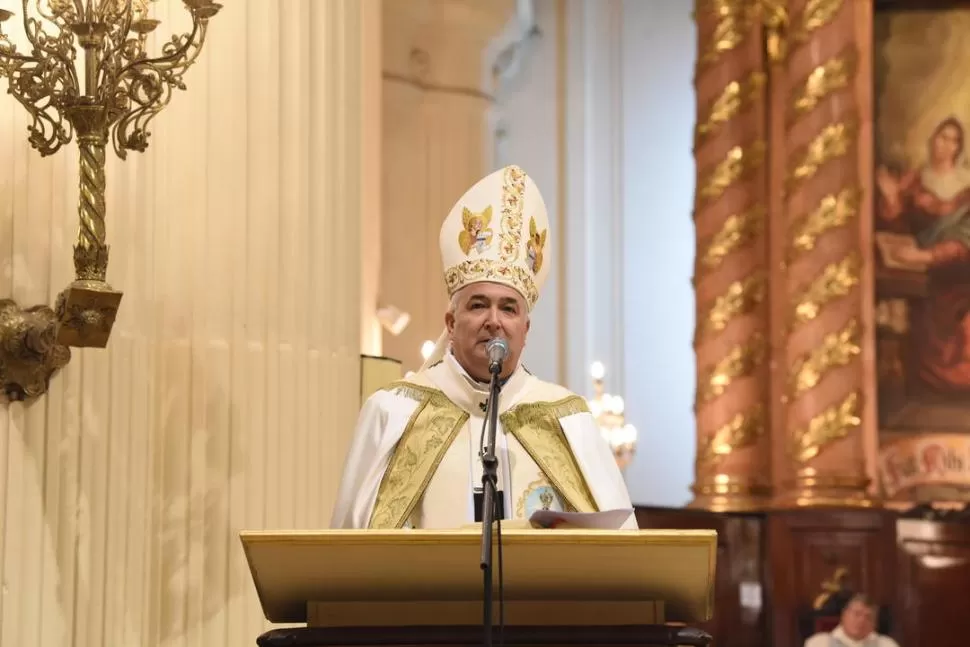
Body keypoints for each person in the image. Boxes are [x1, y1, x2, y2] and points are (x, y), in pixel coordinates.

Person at [330, 164, 636, 530]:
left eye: (508, 308)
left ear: (525, 329)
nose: (494, 320)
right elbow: (349, 549)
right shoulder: (393, 413)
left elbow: (619, 548)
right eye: (478, 305)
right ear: (450, 323)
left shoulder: (568, 420)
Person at [804, 593, 899, 647]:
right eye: (857, 614)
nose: (862, 620)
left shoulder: (886, 644)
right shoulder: (819, 643)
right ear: (844, 616)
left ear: (874, 624)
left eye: (868, 617)